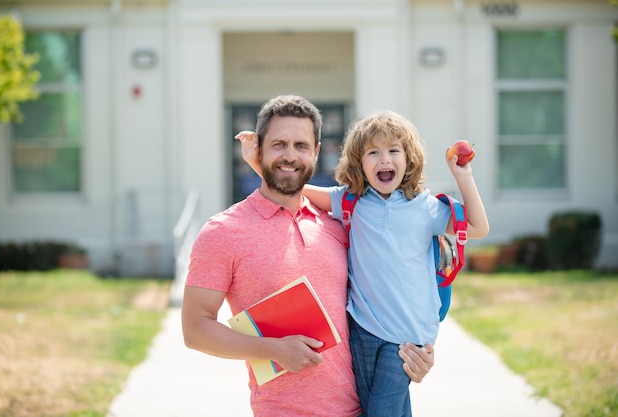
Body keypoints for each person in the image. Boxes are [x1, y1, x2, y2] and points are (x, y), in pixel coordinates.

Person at [181, 96, 435, 417]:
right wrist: (272, 350)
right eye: (279, 144)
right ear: (258, 150)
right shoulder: (223, 232)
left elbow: (394, 288)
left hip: (361, 408)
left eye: (301, 146)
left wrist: (414, 355)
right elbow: (195, 329)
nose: (290, 155)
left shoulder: (340, 225)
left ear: (316, 152)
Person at [236, 109, 490, 416]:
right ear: (359, 163)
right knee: (377, 409)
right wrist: (257, 163)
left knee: (383, 410)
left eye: (394, 150)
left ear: (408, 158)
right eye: (373, 152)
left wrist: (464, 176)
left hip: (406, 338)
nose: (384, 159)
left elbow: (477, 227)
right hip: (363, 329)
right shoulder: (350, 201)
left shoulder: (425, 208)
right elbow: (295, 188)